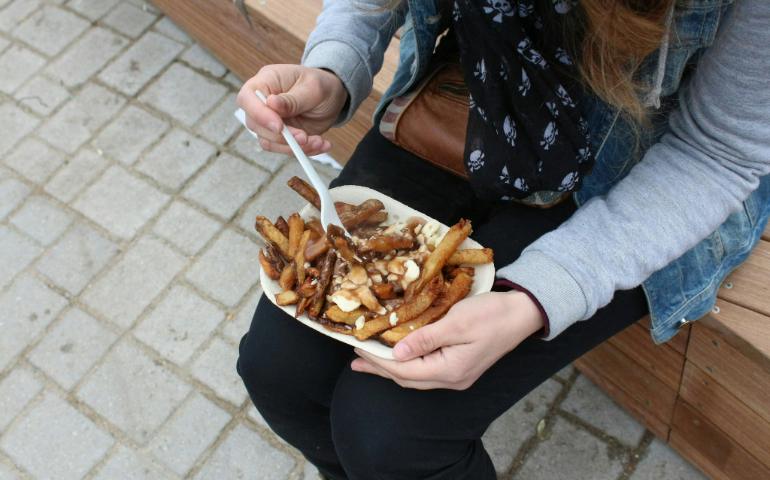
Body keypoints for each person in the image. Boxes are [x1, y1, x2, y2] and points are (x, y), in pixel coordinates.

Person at [236, 1, 770, 478]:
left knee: (388, 431)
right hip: (475, 89)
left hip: (643, 166)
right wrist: (333, 68)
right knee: (277, 371)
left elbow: (719, 153)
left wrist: (535, 299)